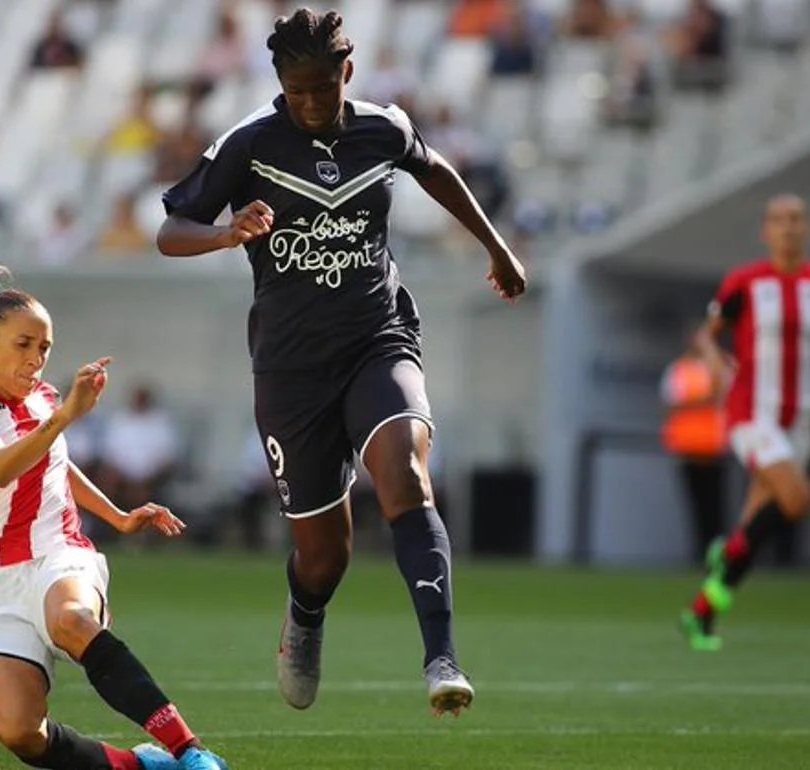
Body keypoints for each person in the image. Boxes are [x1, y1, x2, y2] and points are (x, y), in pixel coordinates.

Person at [156, 8, 527, 716]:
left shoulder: (381, 127)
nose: (310, 103)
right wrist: (226, 233)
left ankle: (441, 658)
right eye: (297, 91)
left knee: (406, 477)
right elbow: (170, 230)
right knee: (326, 557)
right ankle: (304, 614)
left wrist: (496, 246)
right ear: (279, 84)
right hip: (292, 372)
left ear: (346, 74)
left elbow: (436, 167)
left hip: (377, 338)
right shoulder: (249, 143)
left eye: (322, 88)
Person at [0, 232, 228, 770]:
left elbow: (54, 464)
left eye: (44, 348)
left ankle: (191, 751)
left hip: (56, 553)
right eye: (24, 345)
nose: (37, 360)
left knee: (71, 619)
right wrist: (66, 416)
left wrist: (116, 515)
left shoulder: (45, 399)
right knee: (21, 733)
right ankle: (140, 766)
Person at [680, 194, 810, 651]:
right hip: (751, 414)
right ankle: (726, 551)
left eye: (797, 219)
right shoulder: (746, 282)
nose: (789, 228)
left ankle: (701, 614)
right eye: (780, 220)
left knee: (754, 528)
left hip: (801, 421)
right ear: (766, 231)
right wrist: (715, 360)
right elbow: (707, 333)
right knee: (795, 500)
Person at [660, 336, 728, 561]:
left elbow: (725, 394)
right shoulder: (678, 369)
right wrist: (704, 401)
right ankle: (701, 554)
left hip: (713, 451)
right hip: (688, 450)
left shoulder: (719, 367)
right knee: (696, 507)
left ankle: (717, 555)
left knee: (715, 507)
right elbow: (670, 404)